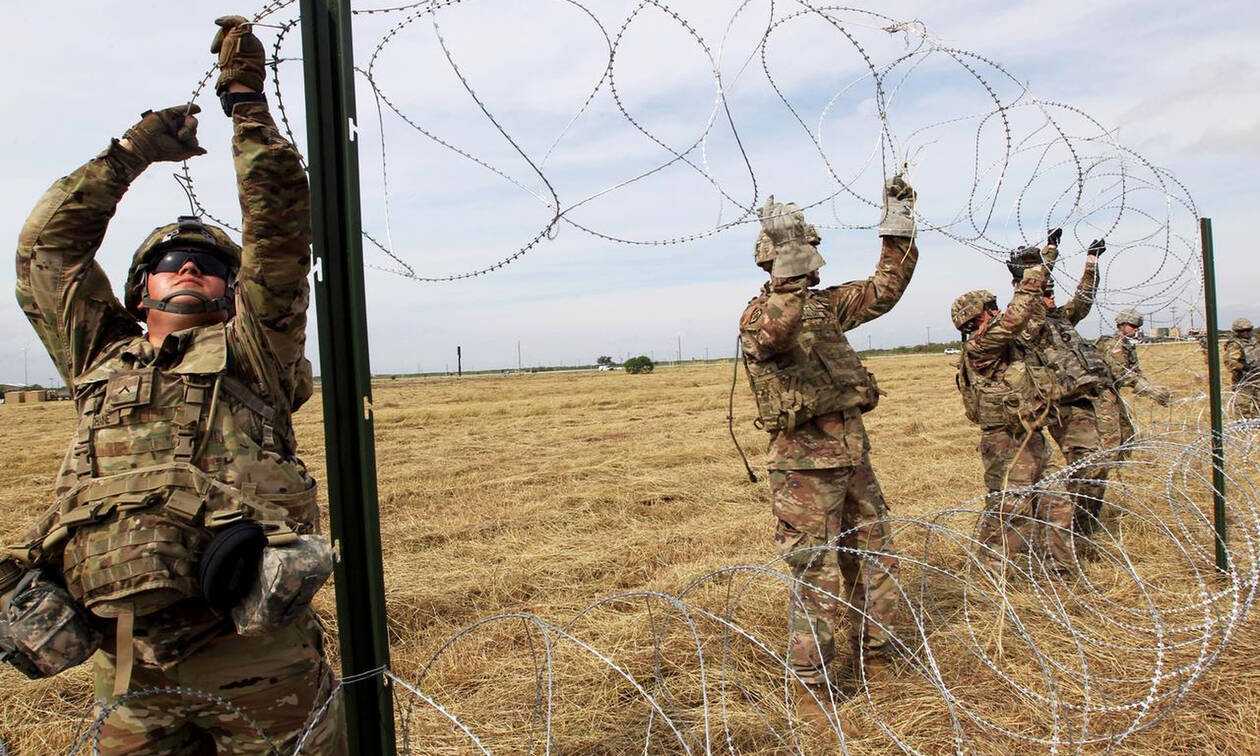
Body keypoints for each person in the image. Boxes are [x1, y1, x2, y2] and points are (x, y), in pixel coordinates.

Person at [1, 16, 345, 754]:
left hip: (254, 654)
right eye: (168, 263)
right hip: (126, 659)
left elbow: (279, 225)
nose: (189, 268)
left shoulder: (255, 350)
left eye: (210, 266)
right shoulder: (99, 355)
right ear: (139, 293)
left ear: (233, 291)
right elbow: (46, 248)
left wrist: (245, 102)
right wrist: (131, 153)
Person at [739, 175, 917, 696]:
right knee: (815, 572)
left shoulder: (826, 306)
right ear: (776, 258)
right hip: (804, 466)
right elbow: (775, 333)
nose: (815, 259)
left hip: (853, 456)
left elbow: (884, 289)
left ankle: (877, 658)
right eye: (804, 250)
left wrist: (899, 220)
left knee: (875, 557)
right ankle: (811, 682)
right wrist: (789, 263)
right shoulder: (760, 314)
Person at [951, 252, 1074, 575]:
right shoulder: (981, 347)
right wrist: (1034, 271)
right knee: (1011, 511)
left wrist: (1039, 270)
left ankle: (1059, 571)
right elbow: (1016, 317)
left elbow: (1031, 315)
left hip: (1031, 435)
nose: (997, 311)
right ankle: (989, 577)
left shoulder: (1006, 343)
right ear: (975, 318)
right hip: (1005, 442)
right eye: (990, 307)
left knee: (1057, 503)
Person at [1007, 232, 1113, 537]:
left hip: (1087, 399)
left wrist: (1091, 261)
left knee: (1096, 467)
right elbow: (1031, 294)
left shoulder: (1062, 317)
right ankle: (1072, 530)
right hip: (1061, 406)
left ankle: (1080, 527)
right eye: (1045, 293)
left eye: (1052, 293)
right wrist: (1049, 253)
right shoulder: (1029, 324)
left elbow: (1084, 298)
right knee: (1087, 466)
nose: (1051, 298)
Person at [1094, 309, 1172, 458]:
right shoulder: (1112, 344)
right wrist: (1150, 390)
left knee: (1126, 430)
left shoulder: (1127, 345)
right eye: (1133, 326)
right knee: (1110, 434)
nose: (1136, 329)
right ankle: (1104, 464)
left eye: (1138, 327)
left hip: (1112, 392)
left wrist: (1151, 388)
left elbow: (1135, 372)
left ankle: (1120, 463)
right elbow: (1120, 374)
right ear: (1122, 325)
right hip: (1101, 393)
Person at [1223, 318, 1260, 419]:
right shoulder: (1235, 344)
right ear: (1236, 332)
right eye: (1242, 331)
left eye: (1248, 330)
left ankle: (1256, 423)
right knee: (1243, 406)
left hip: (1257, 378)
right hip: (1243, 380)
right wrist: (1245, 367)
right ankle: (1243, 425)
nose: (1246, 333)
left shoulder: (1255, 340)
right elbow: (1230, 362)